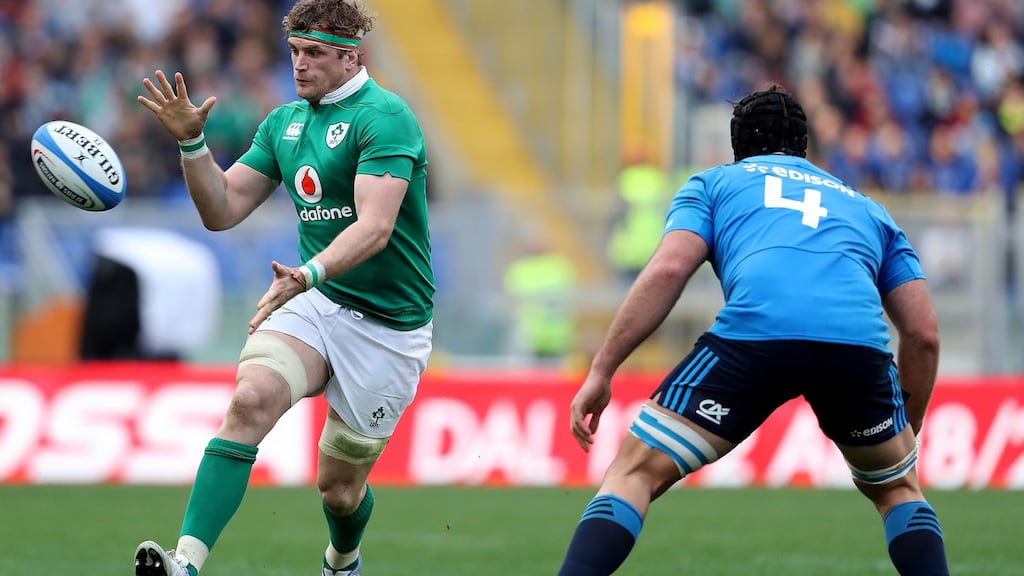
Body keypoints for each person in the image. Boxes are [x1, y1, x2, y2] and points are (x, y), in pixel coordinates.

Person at [557, 84, 948, 575]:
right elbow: (924, 332)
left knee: (633, 473)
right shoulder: (868, 209)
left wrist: (602, 368)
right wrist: (906, 428)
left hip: (755, 336)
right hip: (855, 349)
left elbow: (669, 269)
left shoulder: (715, 184)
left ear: (737, 147)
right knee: (897, 489)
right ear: (805, 148)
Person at [132, 1, 434, 575]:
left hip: (390, 327)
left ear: (351, 57)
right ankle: (186, 563)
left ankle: (343, 560)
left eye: (315, 53)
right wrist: (192, 146)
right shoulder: (284, 123)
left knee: (338, 491)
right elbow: (221, 209)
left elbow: (375, 227)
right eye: (295, 51)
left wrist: (306, 273)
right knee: (249, 401)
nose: (300, 65)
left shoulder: (386, 117)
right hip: (317, 303)